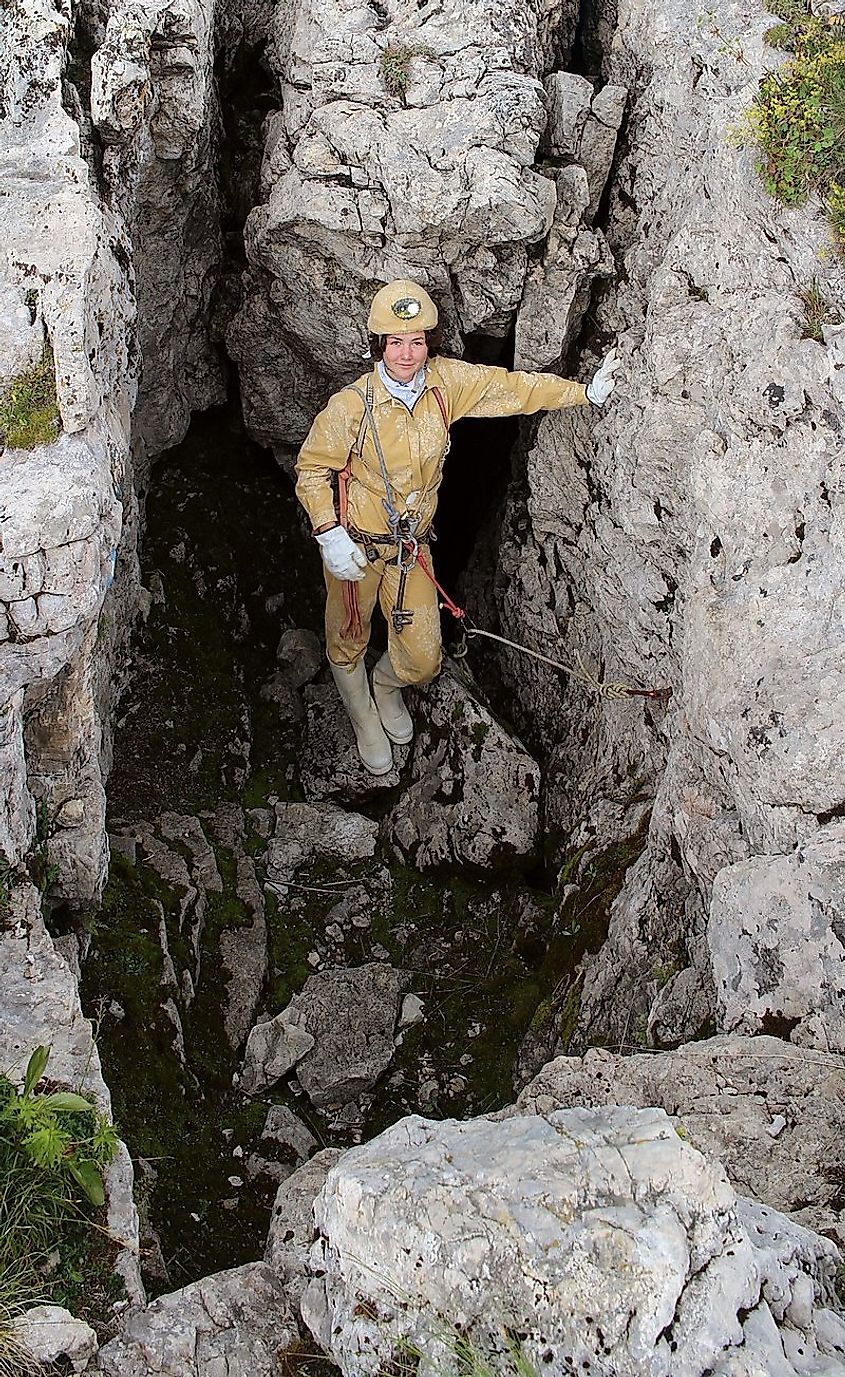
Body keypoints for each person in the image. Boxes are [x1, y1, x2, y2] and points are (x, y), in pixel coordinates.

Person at [295, 279, 618, 775]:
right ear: (378, 345)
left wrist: (583, 394)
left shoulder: (445, 385)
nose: (407, 353)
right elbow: (313, 470)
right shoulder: (352, 407)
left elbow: (511, 388)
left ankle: (385, 686)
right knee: (347, 637)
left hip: (411, 549)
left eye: (417, 341)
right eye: (396, 342)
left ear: (430, 342)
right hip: (357, 549)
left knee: (424, 658)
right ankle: (362, 713)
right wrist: (328, 532)